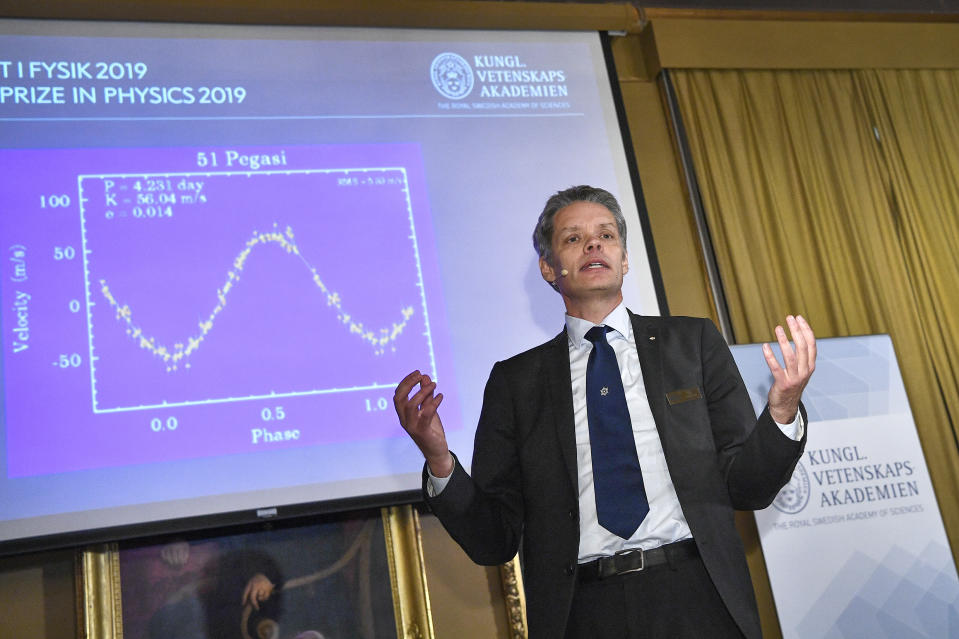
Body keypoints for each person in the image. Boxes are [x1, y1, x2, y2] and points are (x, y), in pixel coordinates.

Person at [393, 185, 815, 638]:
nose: (593, 245)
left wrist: (783, 409)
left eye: (606, 235)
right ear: (548, 268)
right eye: (573, 239)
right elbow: (493, 539)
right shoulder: (516, 382)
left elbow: (747, 488)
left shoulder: (691, 343)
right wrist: (439, 459)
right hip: (584, 612)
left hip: (698, 594)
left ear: (625, 258)